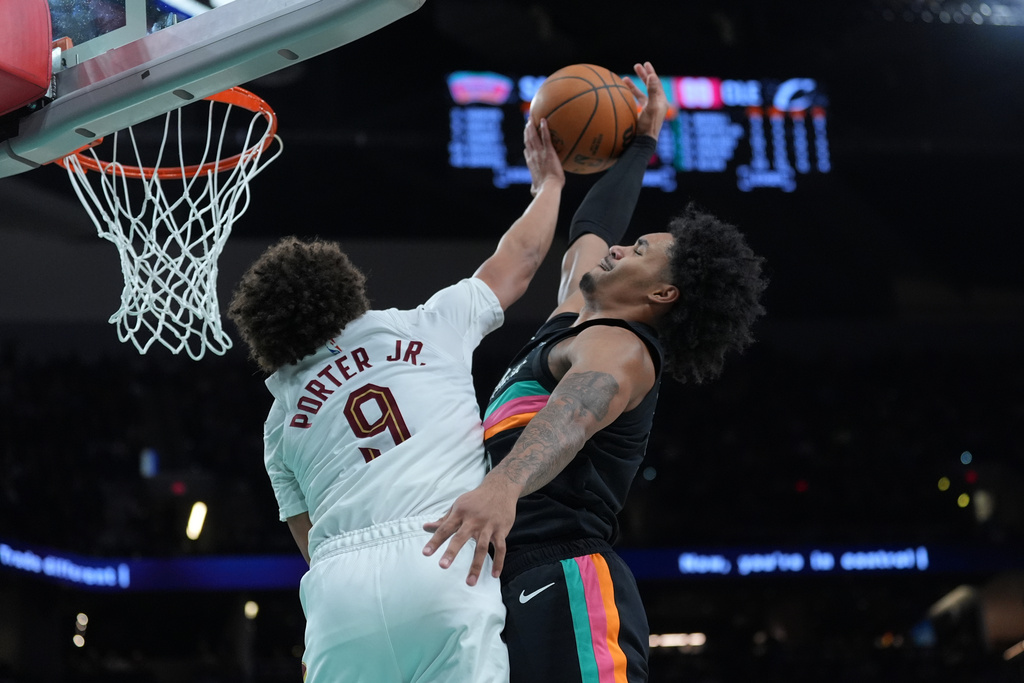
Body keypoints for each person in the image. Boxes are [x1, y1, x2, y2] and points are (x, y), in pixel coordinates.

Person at [422, 61, 769, 682]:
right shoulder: (573, 318)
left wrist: (503, 486)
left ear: (663, 296)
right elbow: (593, 229)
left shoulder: (622, 345)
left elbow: (578, 410)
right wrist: (634, 146)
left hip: (568, 572)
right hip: (511, 574)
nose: (619, 247)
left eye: (640, 251)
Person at [226, 118, 566, 682]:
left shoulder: (279, 415)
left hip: (339, 586)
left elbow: (310, 540)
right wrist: (548, 186)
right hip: (442, 547)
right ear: (346, 289)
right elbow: (521, 259)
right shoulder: (429, 324)